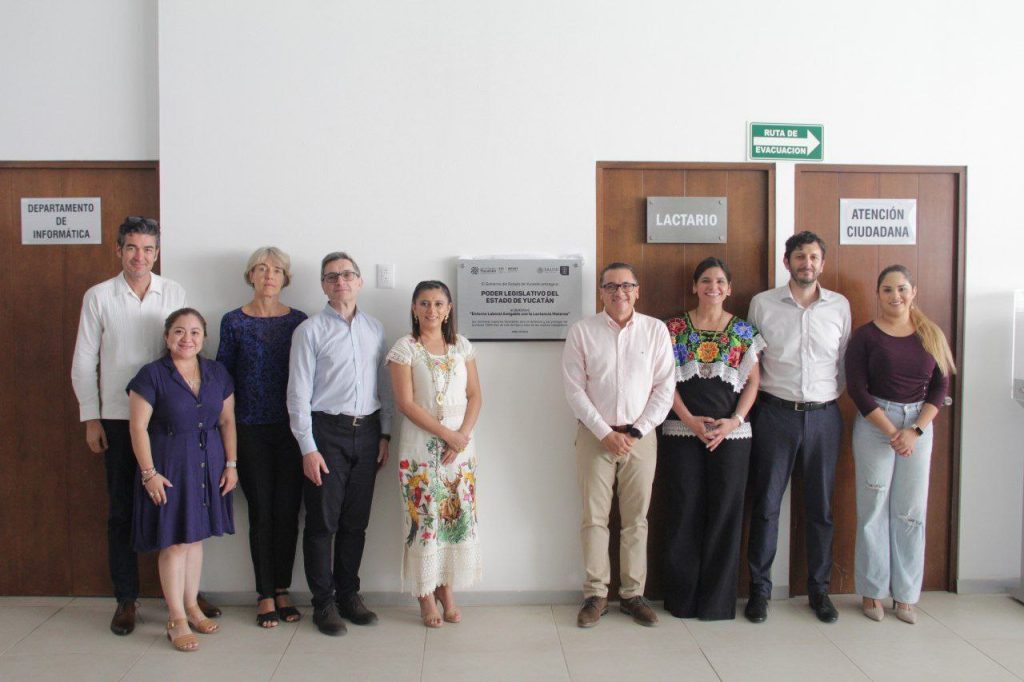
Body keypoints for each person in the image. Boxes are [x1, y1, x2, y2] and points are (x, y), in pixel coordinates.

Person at [71, 216, 220, 635]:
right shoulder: (99, 296)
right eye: (133, 247)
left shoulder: (172, 292)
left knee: (178, 506)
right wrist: (91, 417)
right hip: (120, 418)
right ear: (118, 249)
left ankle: (186, 597)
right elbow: (84, 360)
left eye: (149, 249)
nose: (141, 256)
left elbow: (184, 348)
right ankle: (127, 597)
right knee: (122, 509)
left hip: (170, 421)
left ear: (157, 252)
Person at [745, 231, 851, 624]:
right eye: (800, 256)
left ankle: (819, 591)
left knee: (820, 508)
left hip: (824, 416)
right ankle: (760, 591)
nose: (807, 263)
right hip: (775, 414)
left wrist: (825, 399)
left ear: (823, 263)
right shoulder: (763, 304)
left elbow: (843, 361)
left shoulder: (839, 306)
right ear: (786, 261)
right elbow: (752, 361)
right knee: (766, 506)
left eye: (814, 257)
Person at [562, 262, 675, 628]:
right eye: (611, 286)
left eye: (627, 285)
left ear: (637, 291)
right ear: (601, 292)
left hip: (640, 438)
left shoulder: (655, 331)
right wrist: (604, 433)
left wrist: (636, 432)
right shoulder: (582, 331)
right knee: (594, 518)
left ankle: (632, 595)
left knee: (636, 520)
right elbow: (574, 390)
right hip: (595, 437)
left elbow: (665, 388)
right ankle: (596, 595)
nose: (619, 292)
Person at [287, 251, 392, 636]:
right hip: (325, 433)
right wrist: (308, 447)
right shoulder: (309, 331)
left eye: (347, 275)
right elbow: (298, 394)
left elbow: (384, 387)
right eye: (332, 276)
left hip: (367, 432)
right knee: (322, 522)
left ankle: (349, 595)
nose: (340, 281)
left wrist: (385, 433)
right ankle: (324, 602)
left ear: (359, 282)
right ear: (323, 285)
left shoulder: (375, 328)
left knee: (355, 522)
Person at [846, 265, 953, 624]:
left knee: (911, 511)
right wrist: (893, 431)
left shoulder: (930, 334)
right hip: (876, 423)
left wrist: (915, 430)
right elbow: (857, 389)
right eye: (888, 290)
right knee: (873, 508)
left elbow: (940, 387)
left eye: (902, 288)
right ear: (878, 294)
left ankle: (906, 595)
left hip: (918, 425)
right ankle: (872, 591)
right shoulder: (865, 337)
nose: (896, 296)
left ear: (913, 291)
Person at [660, 257, 765, 620]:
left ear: (729, 288)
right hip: (681, 430)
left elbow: (754, 382)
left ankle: (717, 603)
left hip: (732, 436)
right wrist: (688, 419)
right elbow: (663, 381)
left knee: (725, 514)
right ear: (694, 286)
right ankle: (682, 600)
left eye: (720, 281)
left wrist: (735, 421)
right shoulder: (673, 328)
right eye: (705, 280)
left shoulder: (744, 331)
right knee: (684, 510)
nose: (713, 287)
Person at [127, 308, 237, 652]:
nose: (186, 338)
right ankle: (176, 618)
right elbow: (137, 427)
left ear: (204, 337)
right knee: (174, 541)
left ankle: (192, 606)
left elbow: (227, 422)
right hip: (169, 467)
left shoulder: (217, 372)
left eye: (194, 332)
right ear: (166, 337)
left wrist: (231, 464)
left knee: (195, 538)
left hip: (208, 464)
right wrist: (149, 474)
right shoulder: (151, 375)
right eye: (178, 331)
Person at [216, 247, 307, 627]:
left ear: (286, 278)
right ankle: (264, 593)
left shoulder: (299, 321)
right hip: (248, 430)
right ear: (250, 275)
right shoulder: (233, 321)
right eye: (262, 268)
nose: (269, 275)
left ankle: (283, 587)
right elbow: (222, 379)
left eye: (277, 270)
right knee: (261, 512)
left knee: (288, 512)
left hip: (291, 431)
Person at [388, 280, 483, 627]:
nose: (432, 310)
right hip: (420, 448)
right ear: (414, 308)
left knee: (454, 518)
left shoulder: (461, 346)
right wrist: (447, 435)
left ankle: (447, 590)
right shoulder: (405, 349)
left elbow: (475, 396)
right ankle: (425, 595)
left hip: (461, 449)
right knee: (426, 519)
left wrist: (461, 437)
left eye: (439, 303)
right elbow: (405, 403)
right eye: (424, 303)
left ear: (449, 309)